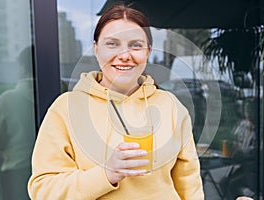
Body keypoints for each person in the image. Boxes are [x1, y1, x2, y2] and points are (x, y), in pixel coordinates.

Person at [27, 4, 204, 199]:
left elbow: (190, 186)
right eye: (112, 44)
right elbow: (43, 190)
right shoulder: (66, 109)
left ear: (147, 51)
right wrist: (106, 174)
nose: (125, 56)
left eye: (136, 45)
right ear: (96, 49)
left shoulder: (171, 106)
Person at [0, 46, 36, 200]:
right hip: (57, 170)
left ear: (23, 67)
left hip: (17, 175)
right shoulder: (62, 91)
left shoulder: (8, 99)